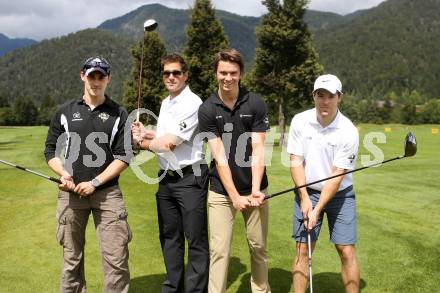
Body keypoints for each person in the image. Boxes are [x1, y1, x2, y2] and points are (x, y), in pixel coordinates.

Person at [44, 56, 133, 292]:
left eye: (100, 76)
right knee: (71, 260)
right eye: (91, 75)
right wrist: (63, 173)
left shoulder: (119, 113)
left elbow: (124, 155)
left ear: (108, 79)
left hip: (107, 194)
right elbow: (50, 150)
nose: (96, 81)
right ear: (82, 75)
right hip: (71, 196)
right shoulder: (65, 112)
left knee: (116, 260)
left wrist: (95, 182)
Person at [132, 53, 209, 293]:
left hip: (190, 178)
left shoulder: (193, 103)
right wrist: (147, 133)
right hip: (166, 179)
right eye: (166, 73)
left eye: (176, 72)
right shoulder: (167, 102)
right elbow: (164, 135)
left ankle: (195, 290)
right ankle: (172, 287)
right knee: (169, 237)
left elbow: (169, 144)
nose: (171, 77)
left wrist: (139, 144)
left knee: (195, 239)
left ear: (185, 75)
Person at [198, 48, 271, 293]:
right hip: (221, 191)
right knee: (219, 251)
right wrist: (235, 196)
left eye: (233, 73)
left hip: (256, 188)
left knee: (258, 247)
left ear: (240, 74)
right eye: (222, 73)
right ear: (215, 73)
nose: (227, 78)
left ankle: (261, 290)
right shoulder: (207, 108)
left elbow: (258, 149)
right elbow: (219, 157)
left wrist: (253, 191)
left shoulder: (256, 103)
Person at [287, 74, 360, 293]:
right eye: (320, 95)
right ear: (314, 96)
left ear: (340, 98)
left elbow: (337, 176)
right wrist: (305, 198)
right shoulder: (300, 120)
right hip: (307, 190)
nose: (325, 101)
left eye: (330, 96)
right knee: (302, 249)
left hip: (341, 194)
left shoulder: (348, 131)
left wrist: (317, 209)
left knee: (346, 250)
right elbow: (295, 161)